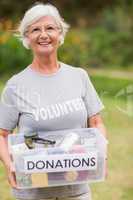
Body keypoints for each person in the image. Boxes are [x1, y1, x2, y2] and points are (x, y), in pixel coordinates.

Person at [0, 2, 107, 200]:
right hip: (33, 191)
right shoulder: (15, 85)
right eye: (35, 30)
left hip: (76, 189)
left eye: (50, 28)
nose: (43, 35)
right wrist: (9, 165)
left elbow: (96, 122)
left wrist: (101, 154)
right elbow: (2, 134)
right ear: (27, 37)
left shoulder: (79, 76)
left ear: (60, 34)